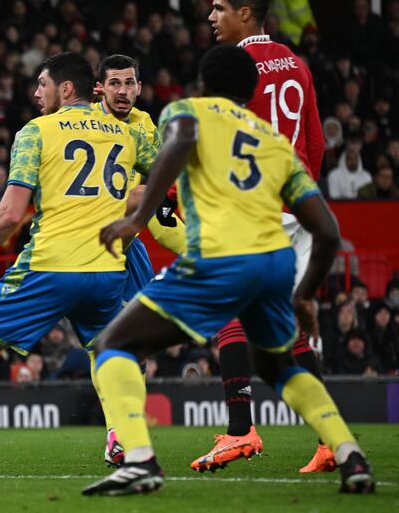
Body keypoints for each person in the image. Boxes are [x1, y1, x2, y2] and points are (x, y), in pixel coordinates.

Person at [82, 45, 374, 497]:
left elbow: (178, 143)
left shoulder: (186, 112)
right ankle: (349, 454)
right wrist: (304, 295)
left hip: (220, 257)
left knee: (111, 345)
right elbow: (328, 230)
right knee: (277, 367)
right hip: (275, 263)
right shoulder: (274, 141)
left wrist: (136, 220)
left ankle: (139, 460)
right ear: (251, 91)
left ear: (203, 83)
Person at [0, 52, 157, 479]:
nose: (35, 93)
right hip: (106, 271)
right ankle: (120, 438)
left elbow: (11, 214)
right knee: (109, 354)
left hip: (49, 266)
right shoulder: (127, 135)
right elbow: (165, 175)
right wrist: (133, 207)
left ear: (65, 89)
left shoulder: (36, 132)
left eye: (41, 84)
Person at [203, 0, 332, 473]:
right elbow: (316, 143)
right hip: (293, 208)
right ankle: (329, 440)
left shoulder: (236, 67)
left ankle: (240, 432)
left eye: (219, 8)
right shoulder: (296, 64)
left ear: (246, 14)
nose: (212, 18)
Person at [92, 53, 185, 466]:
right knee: (104, 343)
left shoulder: (146, 125)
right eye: (115, 83)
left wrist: (200, 250)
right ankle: (119, 430)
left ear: (139, 87)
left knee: (135, 348)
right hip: (89, 248)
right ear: (100, 89)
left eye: (129, 83)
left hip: (130, 248)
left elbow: (160, 209)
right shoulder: (84, 124)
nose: (123, 91)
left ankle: (120, 432)